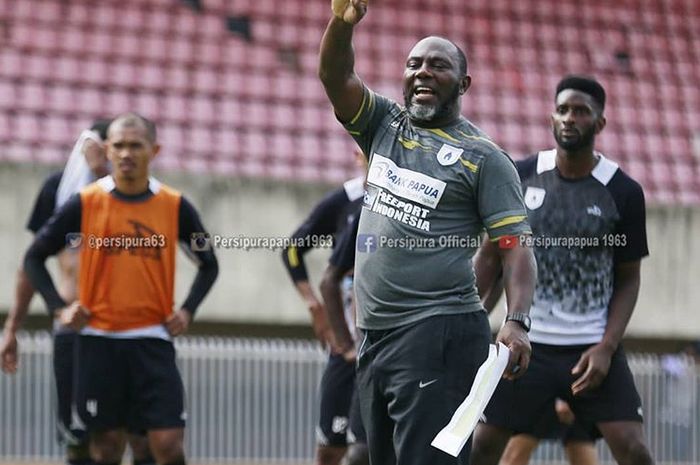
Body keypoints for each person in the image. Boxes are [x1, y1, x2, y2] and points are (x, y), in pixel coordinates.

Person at [318, 1, 537, 464]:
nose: (422, 72)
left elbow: (515, 248)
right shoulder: (383, 125)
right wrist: (342, 23)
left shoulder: (484, 158)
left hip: (438, 331)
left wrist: (517, 320)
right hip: (374, 335)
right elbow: (336, 78)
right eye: (413, 63)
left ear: (463, 83)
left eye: (438, 65)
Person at [469, 75, 654, 465]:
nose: (570, 118)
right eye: (563, 109)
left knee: (635, 451)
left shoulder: (623, 191)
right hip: (523, 345)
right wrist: (468, 317)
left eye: (582, 111)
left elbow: (629, 278)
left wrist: (606, 346)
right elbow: (491, 256)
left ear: (599, 123)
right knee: (481, 447)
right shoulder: (520, 174)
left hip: (589, 351)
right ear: (552, 116)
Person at [23, 113, 219, 465]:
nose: (126, 153)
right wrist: (59, 307)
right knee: (107, 448)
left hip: (153, 342)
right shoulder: (86, 201)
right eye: (119, 146)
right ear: (107, 151)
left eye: (135, 145)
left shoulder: (174, 205)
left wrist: (188, 309)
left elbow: (209, 264)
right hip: (98, 342)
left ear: (154, 150)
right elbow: (34, 257)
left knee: (168, 446)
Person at [1, 119, 153, 465]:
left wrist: (104, 174)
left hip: (131, 329)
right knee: (81, 440)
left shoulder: (141, 194)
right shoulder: (59, 189)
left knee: (143, 440)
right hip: (76, 330)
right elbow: (32, 262)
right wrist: (12, 328)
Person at [281, 157, 366, 465]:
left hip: (392, 348)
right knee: (331, 448)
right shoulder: (345, 202)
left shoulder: (412, 201)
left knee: (369, 450)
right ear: (358, 155)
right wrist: (314, 306)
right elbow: (292, 250)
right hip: (346, 349)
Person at [319, 213, 368, 465]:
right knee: (337, 449)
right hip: (357, 355)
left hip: (405, 353)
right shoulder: (359, 210)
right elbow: (328, 281)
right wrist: (348, 343)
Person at [499, 398, 600, 465]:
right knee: (514, 457)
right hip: (536, 391)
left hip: (574, 386)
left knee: (583, 456)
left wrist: (567, 394)